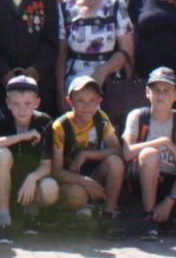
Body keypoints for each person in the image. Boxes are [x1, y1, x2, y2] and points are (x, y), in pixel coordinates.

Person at [124, 67, 176, 241]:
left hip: (170, 181)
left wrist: (170, 200)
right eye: (156, 90)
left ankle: (164, 213)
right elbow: (126, 153)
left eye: (166, 91)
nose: (160, 95)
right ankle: (149, 219)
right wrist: (164, 142)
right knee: (149, 154)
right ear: (147, 92)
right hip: (141, 178)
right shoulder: (137, 116)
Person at [0, 71, 57, 243]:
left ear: (37, 102)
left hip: (30, 182)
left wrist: (32, 177)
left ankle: (31, 213)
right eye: (16, 103)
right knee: (1, 154)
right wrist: (21, 136)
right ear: (8, 103)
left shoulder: (45, 122)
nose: (22, 109)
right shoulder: (1, 116)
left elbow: (46, 165)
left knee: (50, 188)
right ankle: (4, 220)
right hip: (5, 180)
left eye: (27, 103)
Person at [51, 74, 125, 237]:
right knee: (77, 194)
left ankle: (108, 215)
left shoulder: (101, 119)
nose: (87, 106)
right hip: (71, 179)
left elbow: (118, 150)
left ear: (99, 101)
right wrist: (85, 182)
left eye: (92, 100)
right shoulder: (60, 126)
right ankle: (72, 215)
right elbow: (56, 170)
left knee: (115, 162)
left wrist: (86, 154)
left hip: (94, 173)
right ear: (70, 102)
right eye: (81, 101)